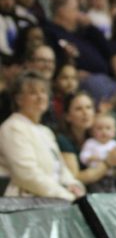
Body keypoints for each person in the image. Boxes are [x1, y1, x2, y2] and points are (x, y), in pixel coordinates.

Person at [0, 71, 85, 200]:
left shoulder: (46, 131)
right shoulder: (12, 127)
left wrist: (73, 185)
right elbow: (26, 175)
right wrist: (65, 195)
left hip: (54, 201)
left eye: (43, 91)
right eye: (33, 93)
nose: (40, 96)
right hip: (25, 206)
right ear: (19, 99)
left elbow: (61, 169)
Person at [79, 112, 116, 193]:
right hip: (95, 177)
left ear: (114, 132)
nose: (103, 131)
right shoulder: (90, 143)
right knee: (97, 194)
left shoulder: (114, 144)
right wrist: (90, 158)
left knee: (112, 193)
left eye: (108, 128)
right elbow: (83, 156)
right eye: (99, 128)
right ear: (92, 131)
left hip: (111, 177)